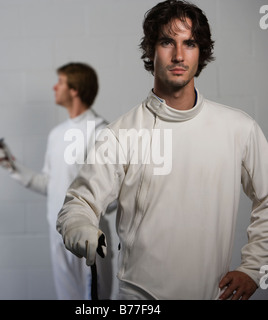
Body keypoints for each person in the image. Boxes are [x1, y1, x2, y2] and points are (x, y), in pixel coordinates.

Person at [56, 0, 268, 300]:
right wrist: (79, 226)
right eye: (168, 42)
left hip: (212, 293)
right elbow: (78, 202)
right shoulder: (121, 134)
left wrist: (254, 267)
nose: (179, 55)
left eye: (189, 43)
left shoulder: (239, 128)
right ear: (151, 50)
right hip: (139, 298)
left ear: (200, 52)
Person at [0, 62, 115, 300]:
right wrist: (12, 165)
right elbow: (51, 184)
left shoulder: (101, 132)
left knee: (94, 304)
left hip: (87, 238)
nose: (54, 87)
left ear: (74, 90)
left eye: (60, 82)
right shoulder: (57, 134)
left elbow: (112, 196)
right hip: (57, 234)